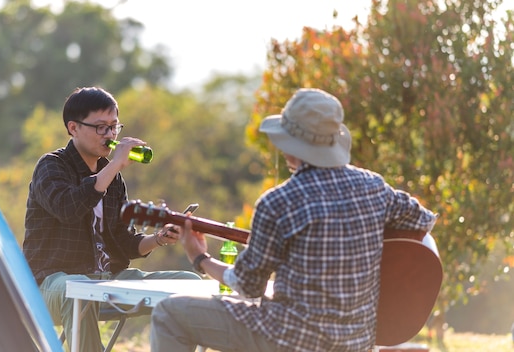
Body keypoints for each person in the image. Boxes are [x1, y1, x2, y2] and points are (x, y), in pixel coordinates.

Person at [150, 88, 438, 352]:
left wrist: (200, 258)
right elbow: (423, 222)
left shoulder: (278, 202)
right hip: (357, 342)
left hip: (289, 340)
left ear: (290, 147)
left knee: (169, 313)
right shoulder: (374, 187)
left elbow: (248, 285)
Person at [22, 86, 199, 352]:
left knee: (190, 285)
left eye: (114, 127)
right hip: (51, 286)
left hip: (108, 280)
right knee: (79, 290)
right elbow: (68, 209)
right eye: (101, 127)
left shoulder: (113, 178)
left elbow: (123, 241)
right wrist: (115, 165)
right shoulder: (51, 166)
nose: (110, 135)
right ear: (73, 128)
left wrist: (158, 239)